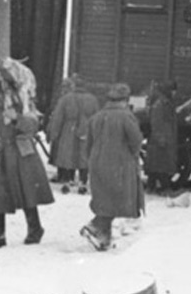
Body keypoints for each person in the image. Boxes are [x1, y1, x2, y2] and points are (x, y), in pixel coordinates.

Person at [0, 79, 54, 248]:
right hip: (1, 157)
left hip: (22, 157)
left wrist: (16, 118)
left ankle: (35, 229)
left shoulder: (24, 107)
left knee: (27, 192)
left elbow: (32, 126)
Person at [80, 83, 145, 251]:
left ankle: (103, 239)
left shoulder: (97, 117)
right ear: (125, 99)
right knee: (119, 199)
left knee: (105, 199)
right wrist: (132, 155)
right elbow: (136, 141)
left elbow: (88, 144)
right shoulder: (127, 117)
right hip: (120, 164)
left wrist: (92, 160)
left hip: (98, 163)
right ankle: (95, 226)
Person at [46, 74, 100, 194]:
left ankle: (67, 181)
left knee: (67, 155)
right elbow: (97, 117)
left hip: (68, 129)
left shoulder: (66, 99)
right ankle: (83, 182)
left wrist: (53, 133)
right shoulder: (92, 99)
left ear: (74, 85)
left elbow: (58, 118)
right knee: (84, 156)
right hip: (86, 129)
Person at [144, 81, 178, 195]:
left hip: (164, 137)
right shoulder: (160, 105)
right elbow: (156, 123)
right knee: (161, 164)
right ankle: (165, 187)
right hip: (161, 139)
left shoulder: (164, 103)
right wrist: (160, 138)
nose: (174, 93)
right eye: (173, 90)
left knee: (156, 165)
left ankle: (151, 186)